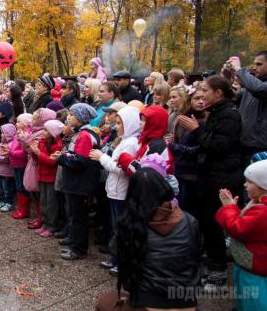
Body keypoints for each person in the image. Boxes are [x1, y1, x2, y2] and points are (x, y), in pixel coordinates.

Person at [95, 168, 200, 311]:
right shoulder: (190, 220)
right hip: (186, 301)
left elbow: (115, 250)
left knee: (105, 302)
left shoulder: (130, 224)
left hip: (149, 302)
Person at [178, 75, 243, 289]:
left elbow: (218, 146)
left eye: (205, 90)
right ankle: (213, 268)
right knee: (208, 223)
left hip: (221, 178)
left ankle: (218, 276)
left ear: (218, 93)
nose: (201, 94)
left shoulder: (229, 116)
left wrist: (196, 130)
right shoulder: (216, 112)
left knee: (215, 225)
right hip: (210, 176)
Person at [90, 106, 141, 275]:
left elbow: (121, 168)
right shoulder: (124, 140)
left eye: (120, 123)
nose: (116, 126)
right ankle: (114, 257)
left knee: (121, 227)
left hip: (121, 190)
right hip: (114, 189)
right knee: (115, 225)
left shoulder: (131, 143)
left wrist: (102, 157)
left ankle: (121, 261)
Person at [216, 159, 267, 311]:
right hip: (254, 264)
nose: (245, 185)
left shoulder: (264, 211)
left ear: (264, 186)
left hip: (256, 269)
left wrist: (229, 208)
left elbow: (238, 228)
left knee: (255, 302)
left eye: (250, 182)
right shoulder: (259, 202)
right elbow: (252, 227)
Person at [54, 103, 101, 260]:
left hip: (79, 183)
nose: (68, 118)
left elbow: (80, 161)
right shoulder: (79, 133)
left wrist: (61, 158)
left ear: (80, 118)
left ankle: (78, 248)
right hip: (75, 182)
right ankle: (73, 239)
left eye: (72, 115)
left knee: (78, 215)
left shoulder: (84, 135)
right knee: (73, 214)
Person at [168, 85, 206, 215]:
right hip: (180, 171)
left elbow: (201, 149)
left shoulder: (207, 121)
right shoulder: (182, 119)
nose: (201, 101)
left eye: (203, 98)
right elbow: (176, 140)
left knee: (192, 211)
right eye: (197, 98)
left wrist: (174, 146)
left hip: (194, 174)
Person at [227, 53, 267, 168]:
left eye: (259, 64)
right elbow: (231, 96)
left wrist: (238, 69)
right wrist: (227, 76)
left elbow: (258, 88)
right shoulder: (250, 88)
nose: (254, 68)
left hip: (262, 149)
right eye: (254, 64)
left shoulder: (258, 87)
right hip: (243, 146)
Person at [18, 108, 57, 229]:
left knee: (39, 193)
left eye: (36, 118)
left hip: (37, 165)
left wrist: (25, 139)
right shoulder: (35, 132)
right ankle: (40, 217)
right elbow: (27, 149)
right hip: (32, 163)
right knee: (34, 193)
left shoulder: (42, 133)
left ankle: (43, 219)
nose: (32, 120)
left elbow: (34, 149)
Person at [31, 119, 64, 238]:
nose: (43, 132)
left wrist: (38, 153)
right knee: (43, 202)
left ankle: (52, 226)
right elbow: (37, 159)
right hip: (42, 176)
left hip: (51, 178)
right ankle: (45, 224)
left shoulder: (57, 145)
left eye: (45, 130)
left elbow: (52, 162)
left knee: (51, 204)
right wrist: (33, 151)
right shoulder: (43, 142)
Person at [0, 123, 17, 212]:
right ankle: (2, 200)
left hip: (7, 172)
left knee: (7, 189)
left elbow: (6, 159)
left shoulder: (11, 145)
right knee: (1, 189)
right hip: (0, 171)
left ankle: (8, 203)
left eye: (3, 133)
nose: (1, 135)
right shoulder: (1, 143)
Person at [10, 113, 32, 219]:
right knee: (19, 186)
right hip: (16, 162)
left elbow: (24, 152)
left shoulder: (26, 133)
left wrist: (11, 153)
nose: (16, 123)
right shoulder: (19, 132)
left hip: (21, 163)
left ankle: (24, 210)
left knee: (21, 187)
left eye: (19, 121)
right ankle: (21, 208)